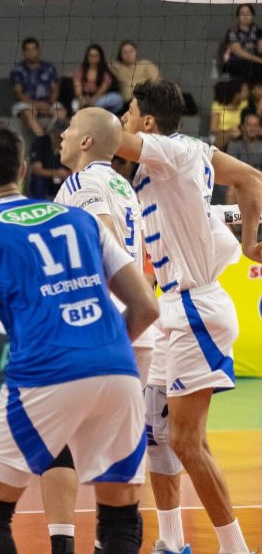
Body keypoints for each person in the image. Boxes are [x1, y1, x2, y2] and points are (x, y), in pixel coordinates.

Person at [0, 122, 160, 554]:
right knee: (120, 522)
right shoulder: (79, 219)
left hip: (44, 372)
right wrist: (101, 350)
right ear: (24, 169)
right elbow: (147, 308)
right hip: (119, 370)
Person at [114, 79, 262, 554]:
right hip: (170, 309)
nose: (123, 120)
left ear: (149, 124)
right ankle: (172, 542)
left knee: (186, 440)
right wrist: (250, 239)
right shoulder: (187, 150)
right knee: (157, 435)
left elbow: (106, 134)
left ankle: (235, 548)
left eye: (129, 112)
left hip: (196, 306)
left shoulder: (168, 151)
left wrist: (83, 127)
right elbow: (252, 179)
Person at [40, 107, 160, 554]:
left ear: (86, 142)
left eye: (70, 128)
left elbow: (104, 240)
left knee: (55, 436)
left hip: (99, 328)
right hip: (138, 328)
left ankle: (63, 546)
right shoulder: (124, 186)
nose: (63, 135)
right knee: (120, 459)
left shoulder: (80, 183)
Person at [11, 37, 62, 137]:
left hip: (48, 103)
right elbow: (19, 93)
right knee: (27, 112)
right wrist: (36, 105)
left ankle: (51, 138)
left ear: (38, 51)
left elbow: (55, 88)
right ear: (24, 52)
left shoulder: (49, 68)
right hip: (26, 104)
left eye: (33, 49)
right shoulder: (18, 70)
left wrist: (49, 103)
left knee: (61, 112)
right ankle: (42, 139)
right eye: (28, 50)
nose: (31, 52)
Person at [71, 43, 124, 113]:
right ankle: (91, 111)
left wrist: (92, 101)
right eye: (91, 56)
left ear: (100, 57)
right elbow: (78, 90)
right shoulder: (81, 71)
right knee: (74, 104)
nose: (93, 58)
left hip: (98, 99)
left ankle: (91, 110)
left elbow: (101, 91)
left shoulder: (105, 72)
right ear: (87, 57)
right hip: (83, 99)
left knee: (117, 98)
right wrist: (82, 99)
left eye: (96, 56)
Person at [221, 3, 262, 84]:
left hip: (254, 66)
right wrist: (260, 60)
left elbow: (261, 50)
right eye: (242, 13)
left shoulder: (258, 31)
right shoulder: (232, 32)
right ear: (238, 16)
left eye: (248, 13)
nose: (245, 16)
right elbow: (238, 51)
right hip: (236, 65)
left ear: (253, 15)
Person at [28, 120, 69, 200]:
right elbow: (37, 169)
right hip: (44, 181)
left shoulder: (67, 146)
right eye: (59, 138)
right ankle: (38, 202)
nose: (61, 142)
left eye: (65, 139)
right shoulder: (40, 142)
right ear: (51, 134)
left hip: (60, 181)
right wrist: (55, 173)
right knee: (38, 179)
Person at [209, 78, 250, 150]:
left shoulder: (245, 104)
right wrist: (230, 132)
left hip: (239, 135)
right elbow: (213, 129)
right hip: (218, 136)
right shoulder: (218, 105)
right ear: (237, 93)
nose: (248, 92)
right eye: (245, 90)